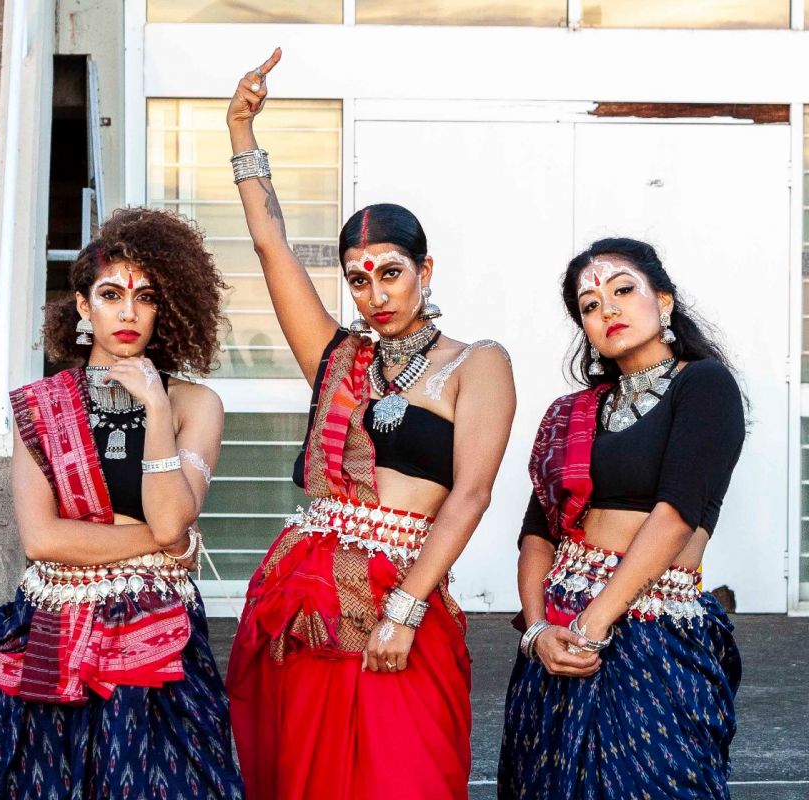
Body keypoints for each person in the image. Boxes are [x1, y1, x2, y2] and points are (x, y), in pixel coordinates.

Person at [225, 49, 516, 800]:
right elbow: (270, 248)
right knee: (306, 777)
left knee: (406, 774)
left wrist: (406, 610)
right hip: (308, 603)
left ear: (426, 270)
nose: (375, 292)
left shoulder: (476, 364)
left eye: (391, 271)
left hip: (403, 595)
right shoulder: (339, 357)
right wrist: (239, 132)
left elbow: (471, 496)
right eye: (359, 278)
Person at [0, 207, 245, 800]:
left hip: (158, 638)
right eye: (110, 294)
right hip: (54, 633)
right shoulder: (40, 407)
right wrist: (161, 542)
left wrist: (153, 403)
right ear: (82, 306)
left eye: (145, 296)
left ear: (163, 308)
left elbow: (174, 514)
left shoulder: (191, 405)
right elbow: (43, 540)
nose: (128, 312)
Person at [499, 237, 745, 799]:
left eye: (622, 290)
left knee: (654, 781)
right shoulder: (573, 413)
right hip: (559, 632)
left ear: (663, 300)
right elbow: (538, 532)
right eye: (589, 305)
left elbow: (677, 514)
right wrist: (538, 631)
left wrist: (594, 626)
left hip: (652, 630)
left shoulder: (703, 384)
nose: (607, 309)